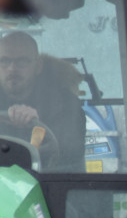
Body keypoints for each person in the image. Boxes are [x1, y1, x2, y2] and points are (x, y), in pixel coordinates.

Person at [0, 30, 85, 171]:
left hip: (48, 185)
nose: (12, 69)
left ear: (38, 66)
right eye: (4, 61)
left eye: (22, 61)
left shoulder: (65, 103)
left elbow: (71, 153)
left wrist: (36, 127)